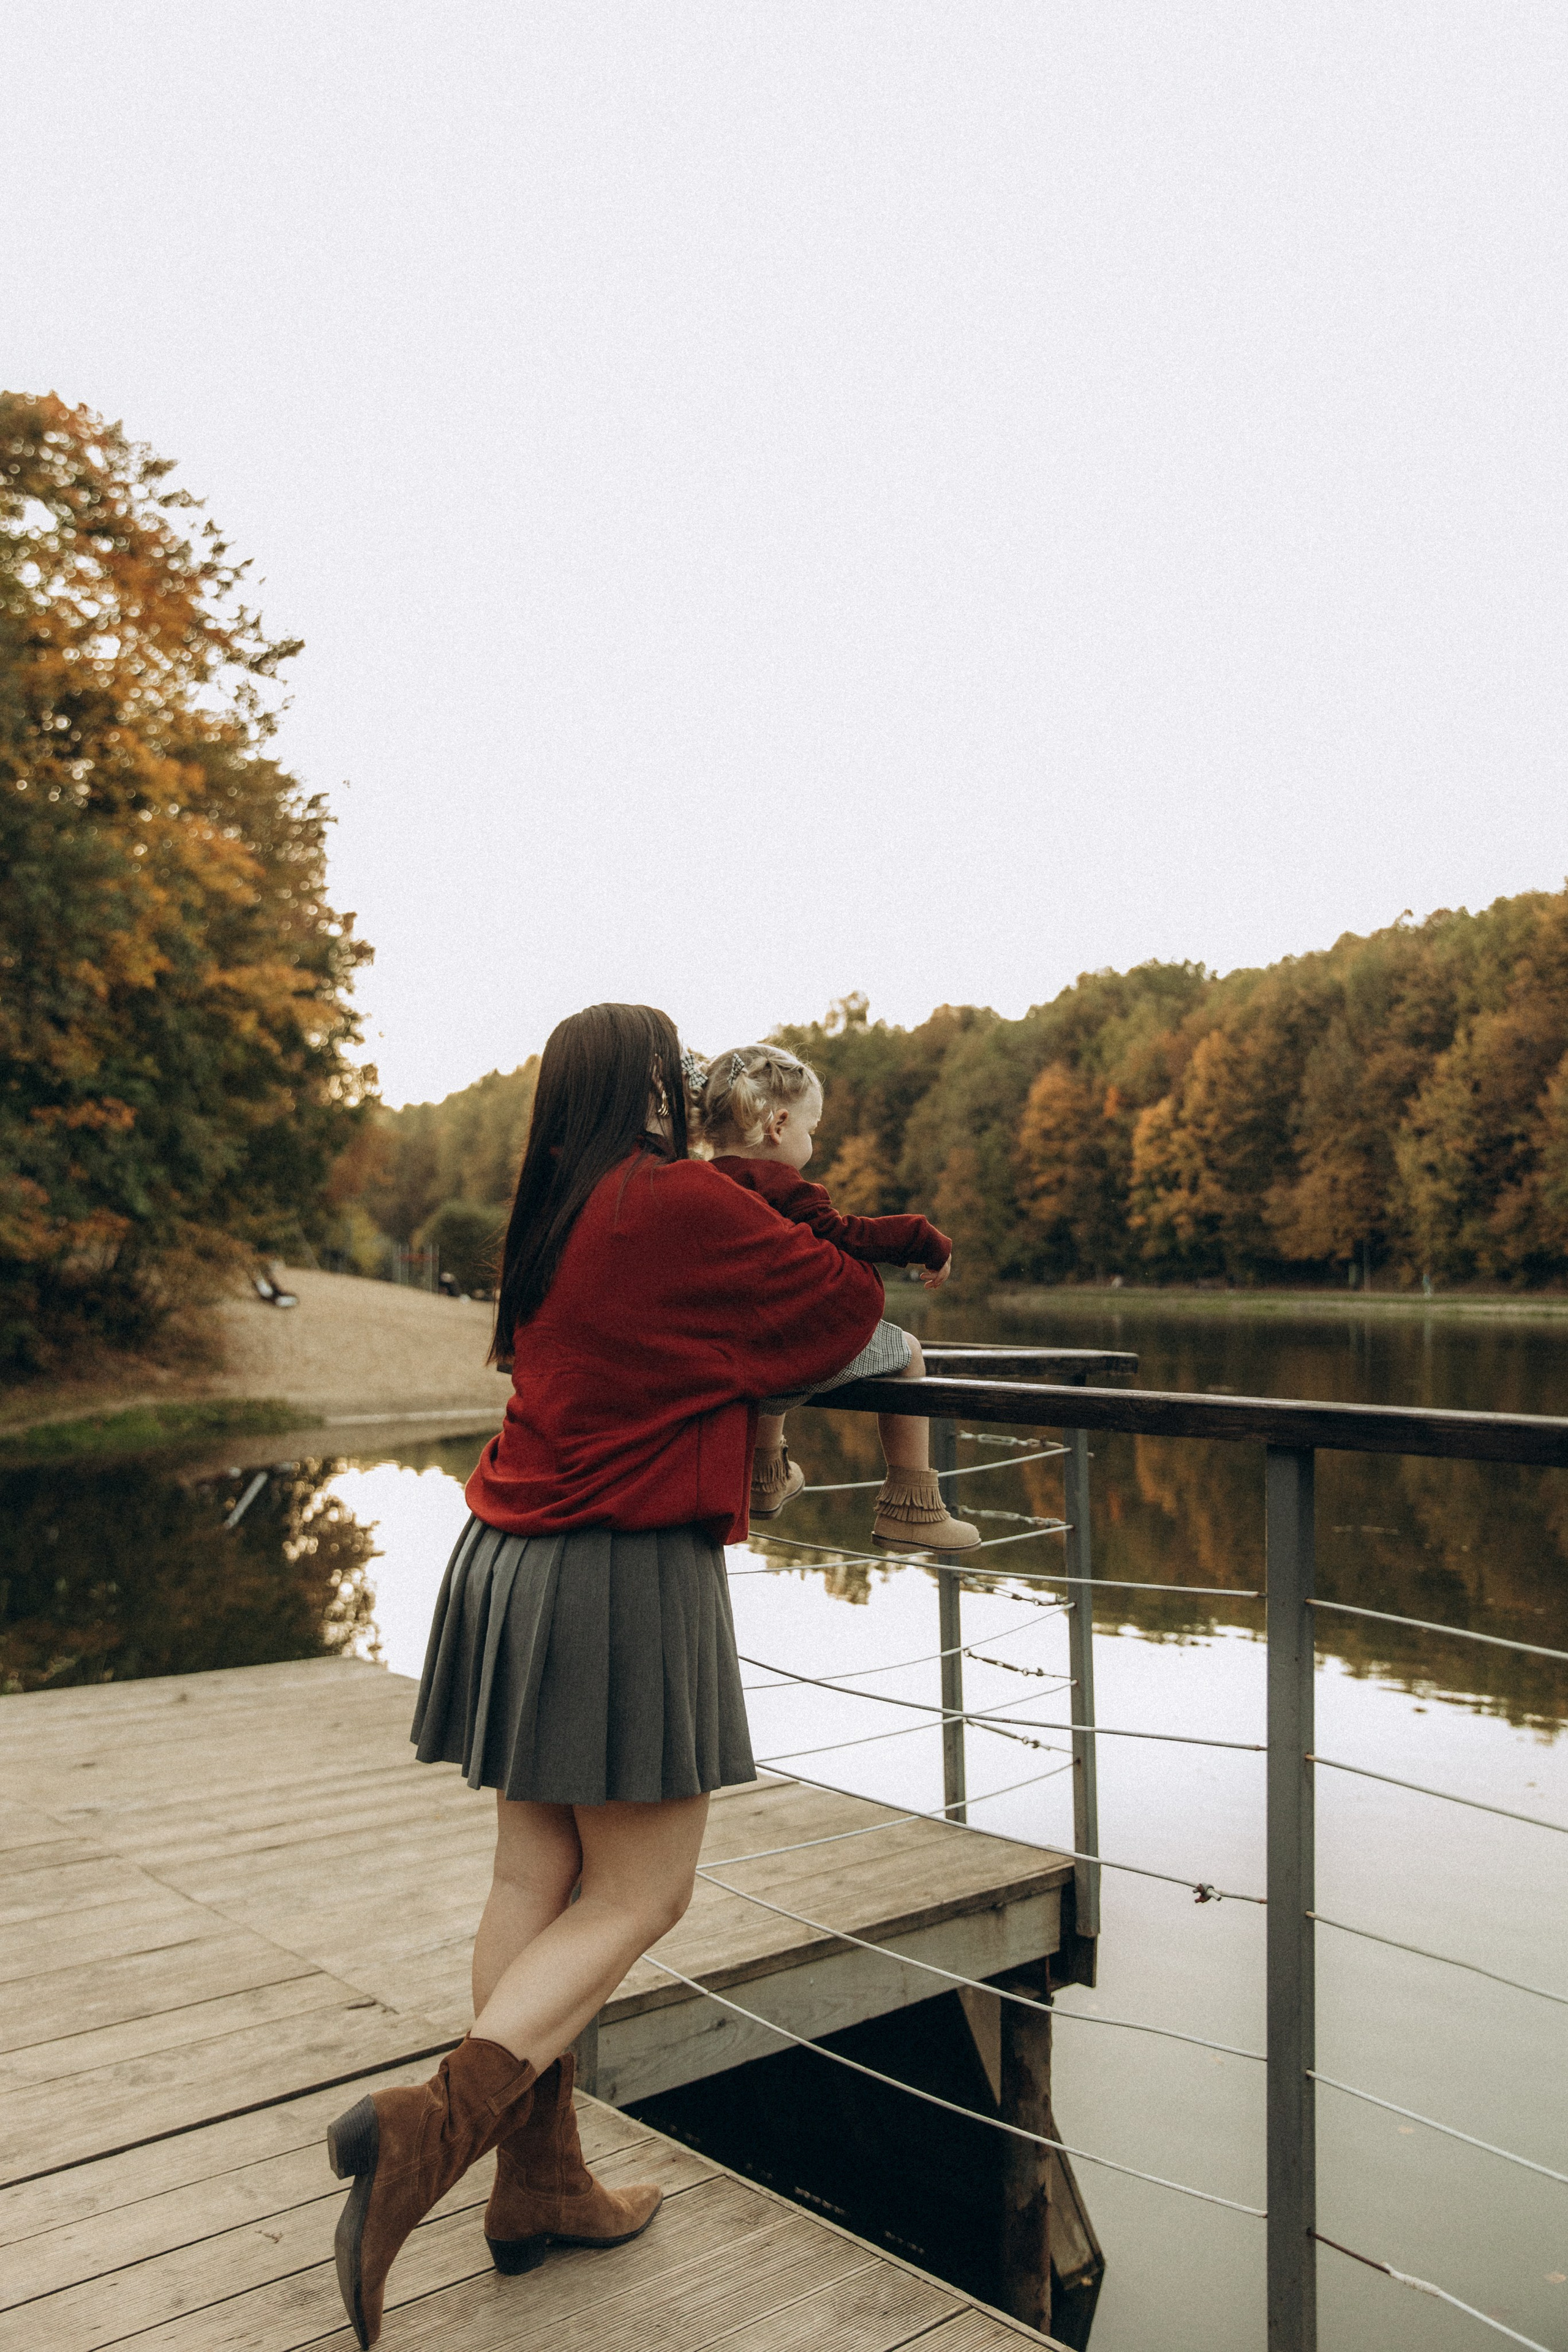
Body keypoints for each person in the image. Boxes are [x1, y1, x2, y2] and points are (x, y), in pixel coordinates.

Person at [325, 1003, 888, 2350]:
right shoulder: (672, 1201)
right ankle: (429, 2135)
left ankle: (541, 2182)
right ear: (653, 1085)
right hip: (618, 1569)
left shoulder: (550, 1213)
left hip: (507, 1558)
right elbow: (839, 1306)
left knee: (534, 1878)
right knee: (642, 1890)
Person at [693, 1043, 979, 1553]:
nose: (812, 1146)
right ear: (778, 1125)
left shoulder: (698, 1185)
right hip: (778, 1365)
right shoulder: (784, 1185)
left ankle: (764, 1478)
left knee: (778, 1313)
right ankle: (911, 1506)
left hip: (731, 1367)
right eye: (811, 1131)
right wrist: (923, 1239)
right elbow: (847, 1236)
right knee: (907, 1353)